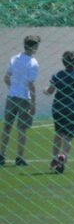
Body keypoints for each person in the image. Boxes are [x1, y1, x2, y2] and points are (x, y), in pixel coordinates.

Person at [1, 35, 40, 167]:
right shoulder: (33, 63)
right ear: (34, 47)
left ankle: (1, 155)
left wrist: (12, 88)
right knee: (22, 129)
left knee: (7, 127)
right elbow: (31, 85)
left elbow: (6, 78)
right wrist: (34, 104)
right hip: (24, 98)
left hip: (12, 97)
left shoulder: (14, 58)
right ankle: (19, 157)